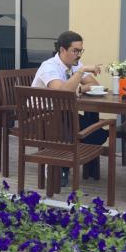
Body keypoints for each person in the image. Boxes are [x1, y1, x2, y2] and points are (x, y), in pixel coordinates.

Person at [32, 30, 107, 181]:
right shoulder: (49, 67)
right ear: (62, 50)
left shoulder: (75, 64)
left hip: (63, 113)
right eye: (75, 51)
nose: (79, 55)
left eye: (81, 50)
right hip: (40, 117)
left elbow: (94, 84)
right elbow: (63, 92)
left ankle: (61, 164)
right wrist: (81, 72)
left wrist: (78, 87)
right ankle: (57, 164)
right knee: (88, 132)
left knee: (98, 132)